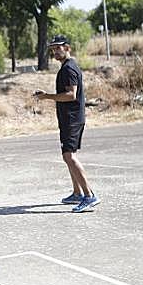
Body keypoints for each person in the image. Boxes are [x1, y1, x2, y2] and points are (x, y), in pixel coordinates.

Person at [34, 35, 100, 213]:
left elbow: (71, 95)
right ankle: (77, 193)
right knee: (69, 155)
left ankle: (89, 196)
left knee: (68, 156)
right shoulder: (67, 67)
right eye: (53, 49)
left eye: (58, 48)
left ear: (67, 48)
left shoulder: (69, 68)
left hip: (72, 119)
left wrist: (47, 96)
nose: (55, 51)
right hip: (69, 119)